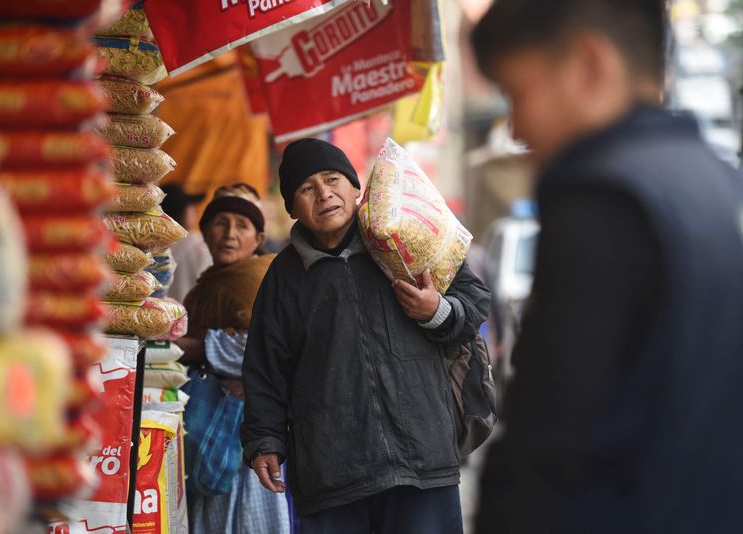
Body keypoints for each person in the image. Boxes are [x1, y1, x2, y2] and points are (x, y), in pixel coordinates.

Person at [470, 1, 743, 532]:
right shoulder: (717, 182)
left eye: (518, 93)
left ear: (589, 65)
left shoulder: (602, 201)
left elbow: (546, 447)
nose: (519, 125)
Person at [240, 138, 492, 534]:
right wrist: (265, 440)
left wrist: (435, 311)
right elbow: (265, 368)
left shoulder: (401, 240)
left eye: (332, 179)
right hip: (332, 473)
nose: (324, 194)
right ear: (292, 208)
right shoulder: (283, 279)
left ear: (356, 188)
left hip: (422, 460)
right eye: (307, 188)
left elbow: (475, 301)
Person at [177, 184, 290, 534]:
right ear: (205, 234)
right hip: (208, 426)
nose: (229, 234)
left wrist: (194, 348)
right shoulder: (206, 285)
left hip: (248, 433)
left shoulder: (263, 280)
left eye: (241, 225)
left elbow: (262, 348)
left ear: (258, 239)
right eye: (220, 223)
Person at [160, 183, 213, 303]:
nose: (195, 210)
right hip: (190, 318)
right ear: (181, 210)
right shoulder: (199, 243)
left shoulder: (151, 245)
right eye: (190, 206)